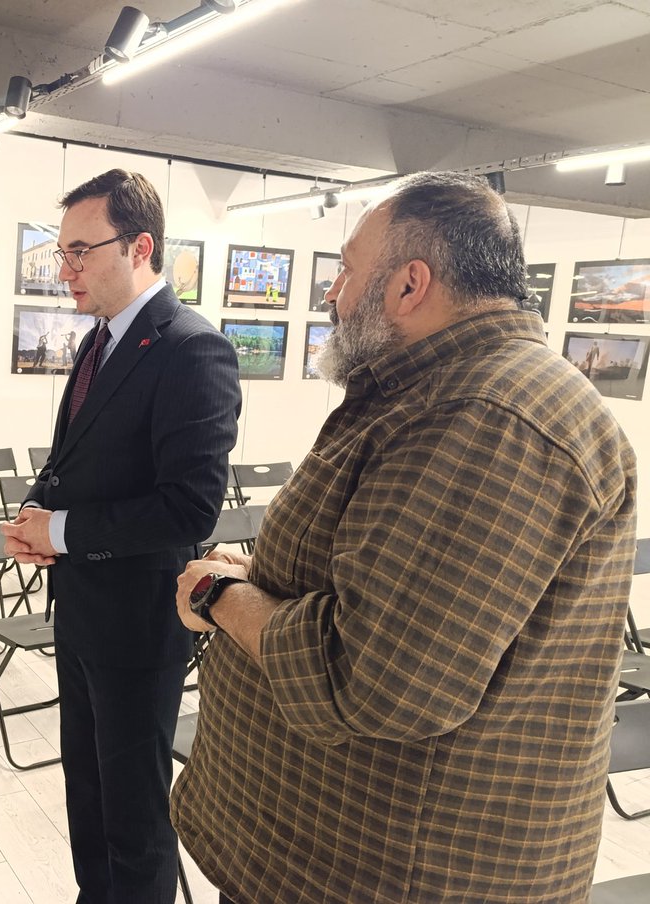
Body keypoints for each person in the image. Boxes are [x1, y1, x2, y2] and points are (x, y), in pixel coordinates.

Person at [171, 171, 638, 904]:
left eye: (347, 271)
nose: (331, 292)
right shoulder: (439, 392)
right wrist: (265, 570)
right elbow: (392, 582)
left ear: (409, 285)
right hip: (331, 850)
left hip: (391, 873)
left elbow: (373, 678)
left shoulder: (486, 415)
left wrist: (221, 593)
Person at [1, 168, 241, 904]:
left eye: (80, 251)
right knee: (88, 792)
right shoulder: (103, 337)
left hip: (138, 626)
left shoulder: (191, 349)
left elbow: (188, 510)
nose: (64, 269)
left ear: (139, 247)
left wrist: (64, 532)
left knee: (134, 812)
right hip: (83, 612)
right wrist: (39, 516)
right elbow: (77, 456)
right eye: (61, 252)